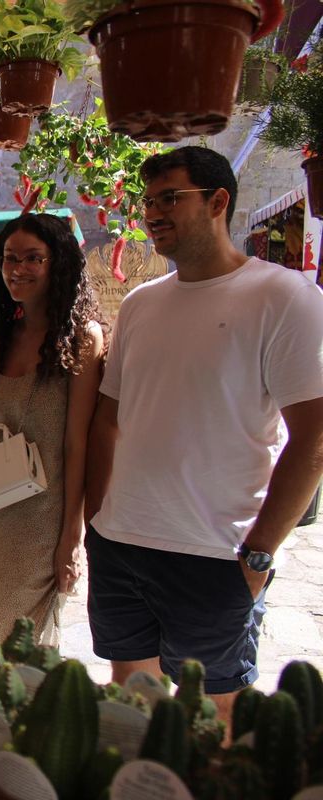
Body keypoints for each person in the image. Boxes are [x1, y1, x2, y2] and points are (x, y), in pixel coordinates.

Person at [84, 146, 323, 722]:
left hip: (215, 552)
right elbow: (109, 418)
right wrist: (95, 520)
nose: (152, 213)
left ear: (218, 202)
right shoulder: (141, 304)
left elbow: (313, 438)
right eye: (148, 201)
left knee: (216, 719)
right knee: (134, 714)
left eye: (170, 198)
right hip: (120, 544)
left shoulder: (283, 297)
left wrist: (259, 554)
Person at [0, 213, 105, 650]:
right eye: (10, 258)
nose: (18, 268)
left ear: (59, 264)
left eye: (34, 258)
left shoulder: (82, 338)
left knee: (20, 644)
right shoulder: (1, 333)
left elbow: (77, 442)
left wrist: (71, 536)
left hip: (39, 519)